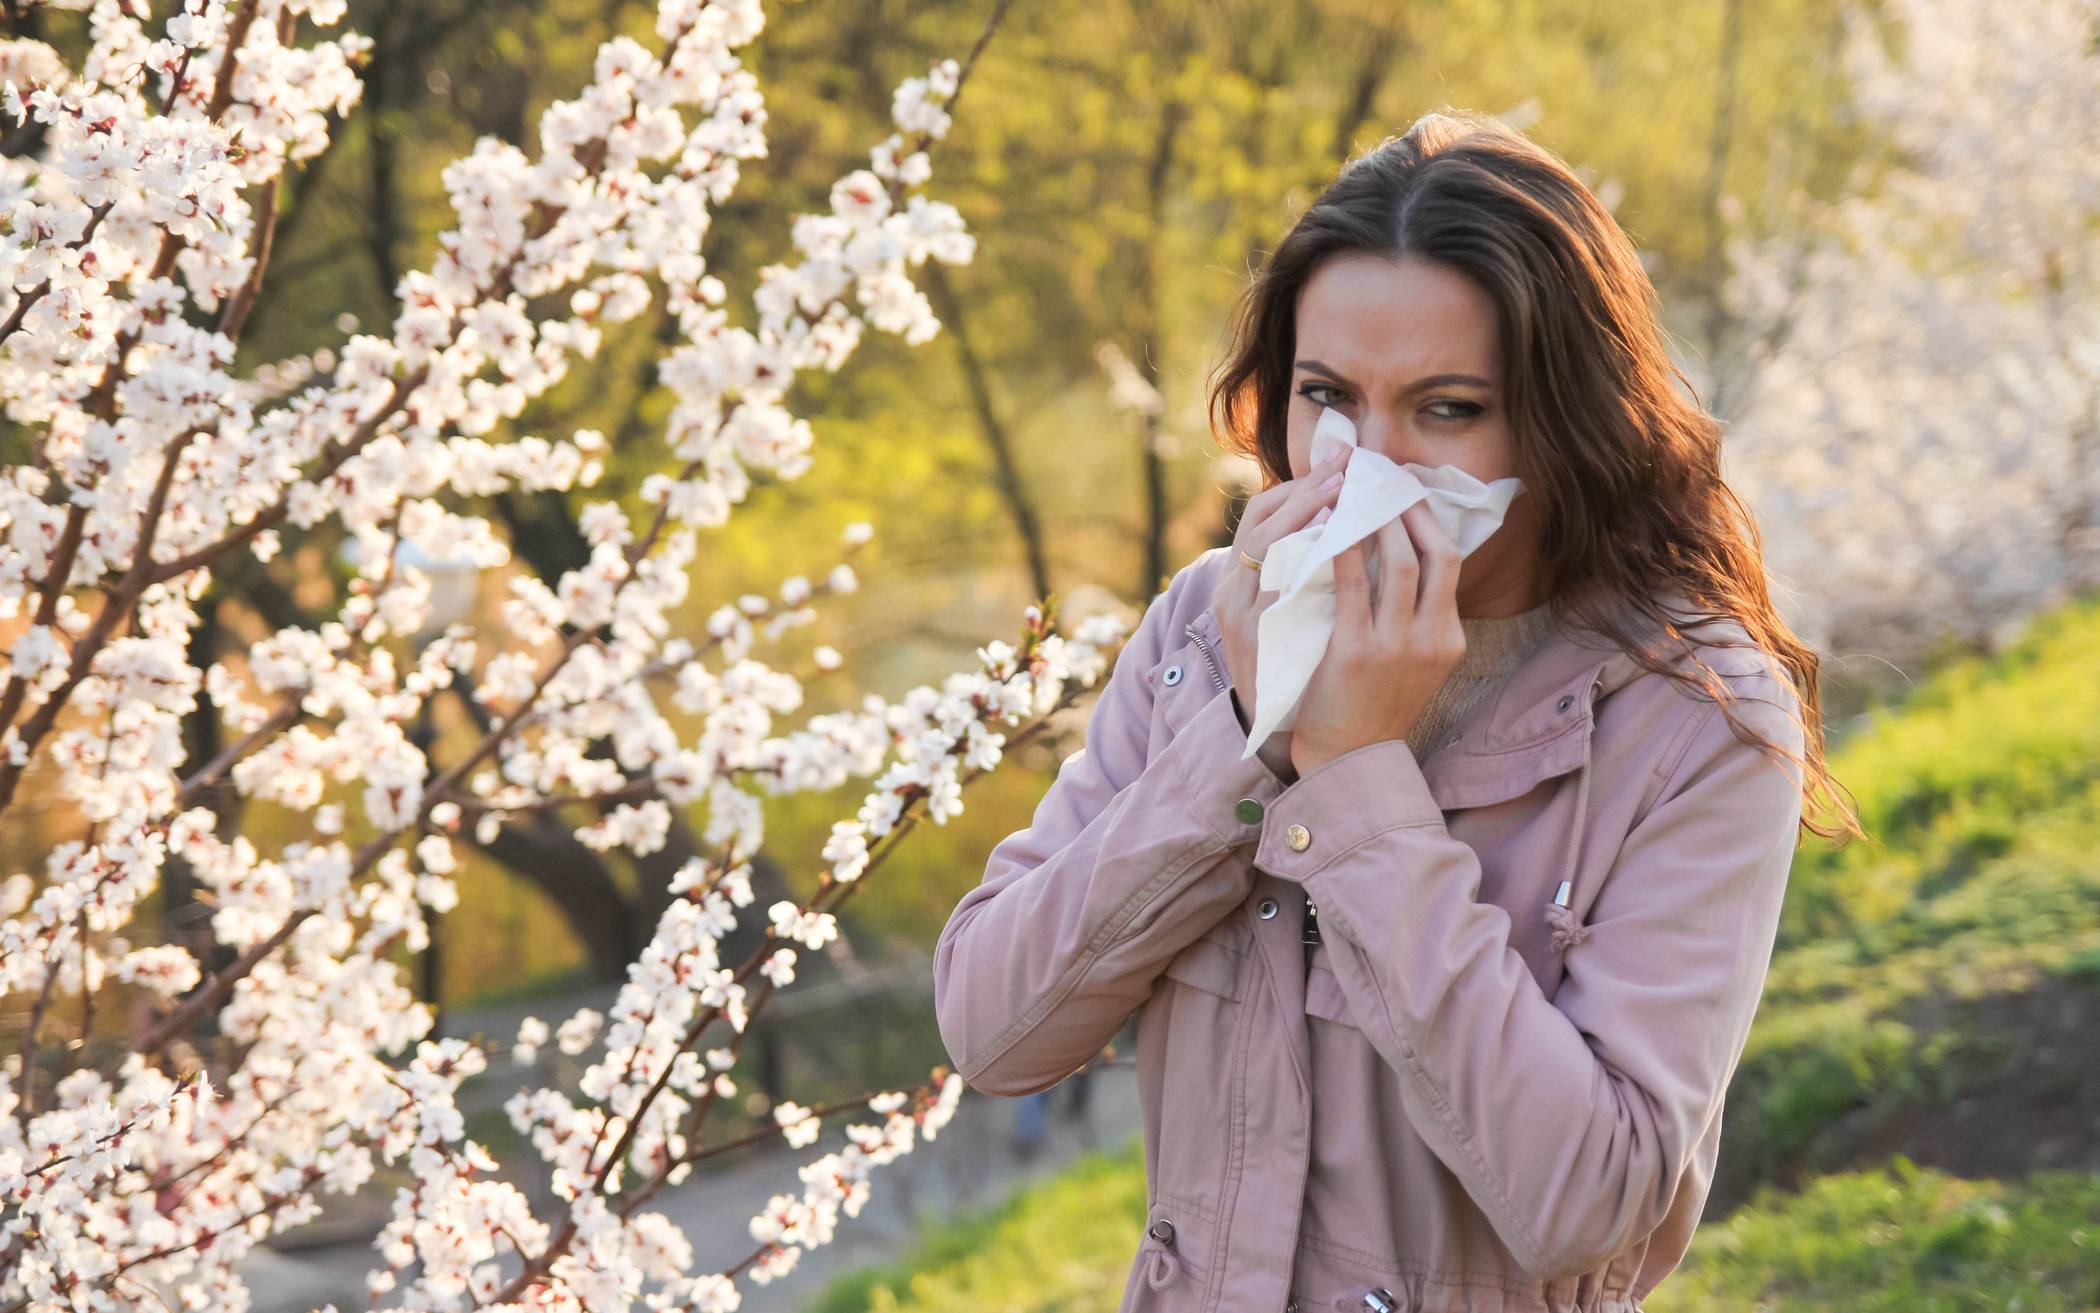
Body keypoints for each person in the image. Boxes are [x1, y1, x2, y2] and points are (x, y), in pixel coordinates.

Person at [933, 108, 1861, 1313]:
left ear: (1565, 420)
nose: (1366, 466)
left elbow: (1590, 1201)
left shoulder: (1698, 717)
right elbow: (994, 1029)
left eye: (1447, 408)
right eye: (1328, 395)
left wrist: (1359, 773)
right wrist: (1247, 733)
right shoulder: (1204, 627)